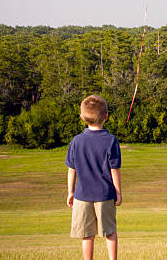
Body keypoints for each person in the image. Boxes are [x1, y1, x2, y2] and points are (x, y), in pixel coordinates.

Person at [65, 95, 122, 260]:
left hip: (82, 196)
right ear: (106, 116)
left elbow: (71, 170)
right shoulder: (111, 140)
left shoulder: (76, 141)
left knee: (87, 234)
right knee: (110, 231)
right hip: (105, 194)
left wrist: (70, 192)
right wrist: (118, 191)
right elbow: (114, 169)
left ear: (82, 117)